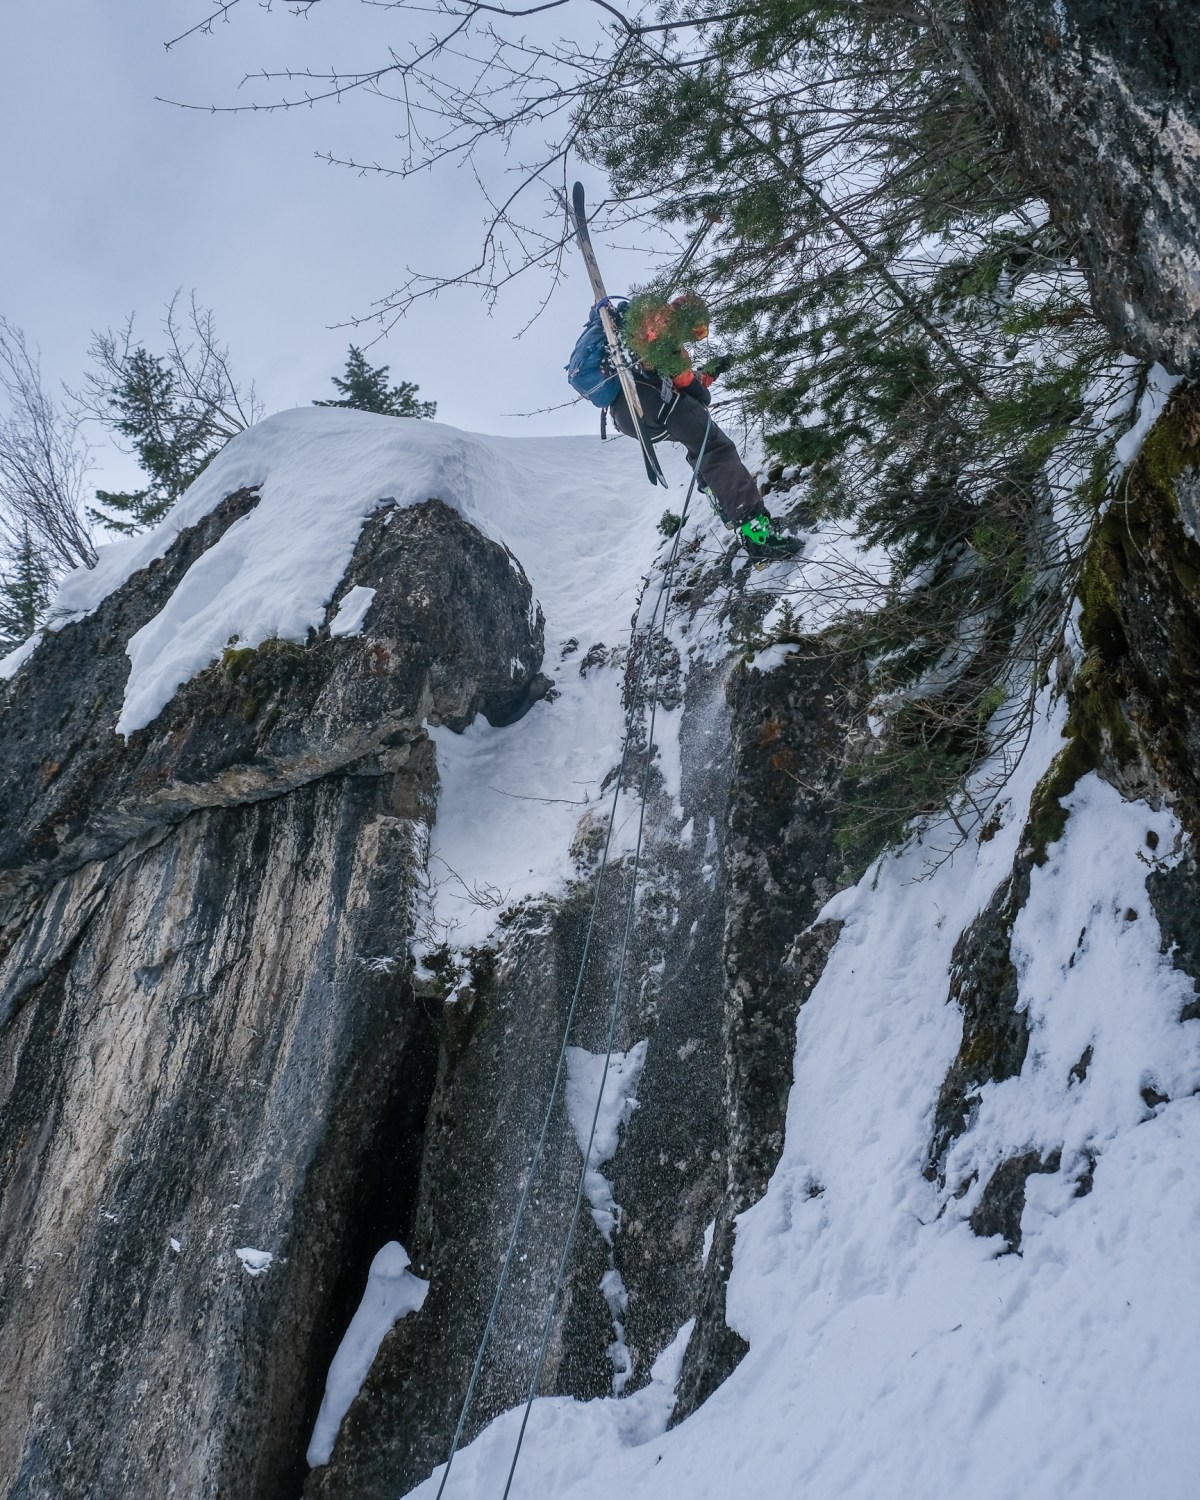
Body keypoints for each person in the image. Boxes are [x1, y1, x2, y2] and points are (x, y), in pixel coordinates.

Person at [608, 293, 799, 561]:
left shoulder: (640, 334)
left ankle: (719, 496)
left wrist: (708, 375)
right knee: (717, 450)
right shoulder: (662, 319)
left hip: (627, 412)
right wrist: (697, 388)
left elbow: (675, 374)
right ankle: (759, 536)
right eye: (698, 328)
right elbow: (679, 375)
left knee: (700, 447)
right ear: (686, 315)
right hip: (651, 399)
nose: (695, 335)